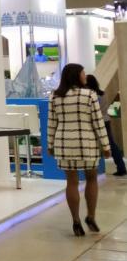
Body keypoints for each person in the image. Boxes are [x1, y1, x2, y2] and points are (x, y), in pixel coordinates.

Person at [49, 64, 110, 236]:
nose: (85, 76)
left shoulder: (55, 96)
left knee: (72, 182)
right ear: (76, 75)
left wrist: (50, 145)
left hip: (64, 143)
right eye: (83, 73)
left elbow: (52, 123)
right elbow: (98, 122)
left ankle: (76, 221)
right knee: (91, 178)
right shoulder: (89, 95)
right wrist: (106, 145)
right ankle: (91, 216)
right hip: (86, 142)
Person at [86, 75, 127, 176]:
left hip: (97, 121)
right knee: (111, 143)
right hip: (106, 120)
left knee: (96, 144)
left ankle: (93, 169)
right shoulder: (102, 93)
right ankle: (121, 167)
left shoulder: (91, 95)